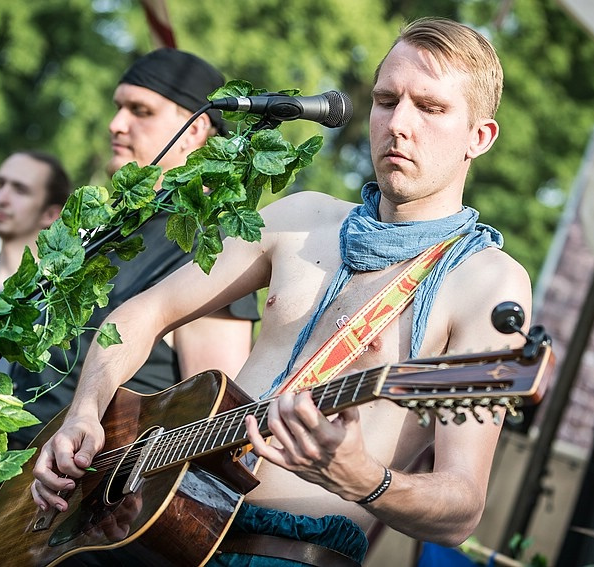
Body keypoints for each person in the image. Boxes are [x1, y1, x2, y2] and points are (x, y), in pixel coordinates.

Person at [31, 18, 532, 566]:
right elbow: (138, 314)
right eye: (386, 100)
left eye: (430, 108)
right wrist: (84, 411)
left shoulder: (489, 282)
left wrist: (364, 478)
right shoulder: (301, 218)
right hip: (161, 529)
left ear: (479, 137)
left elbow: (462, 508)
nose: (398, 124)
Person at [8, 48, 261, 446]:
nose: (115, 124)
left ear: (194, 130)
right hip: (2, 493)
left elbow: (218, 421)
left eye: (140, 110)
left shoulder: (208, 242)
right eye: (118, 107)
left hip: (84, 496)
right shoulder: (106, 228)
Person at [0, 149, 72, 543]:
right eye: (0, 183)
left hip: (5, 497)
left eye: (19, 189)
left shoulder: (62, 305)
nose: (2, 197)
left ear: (50, 214)